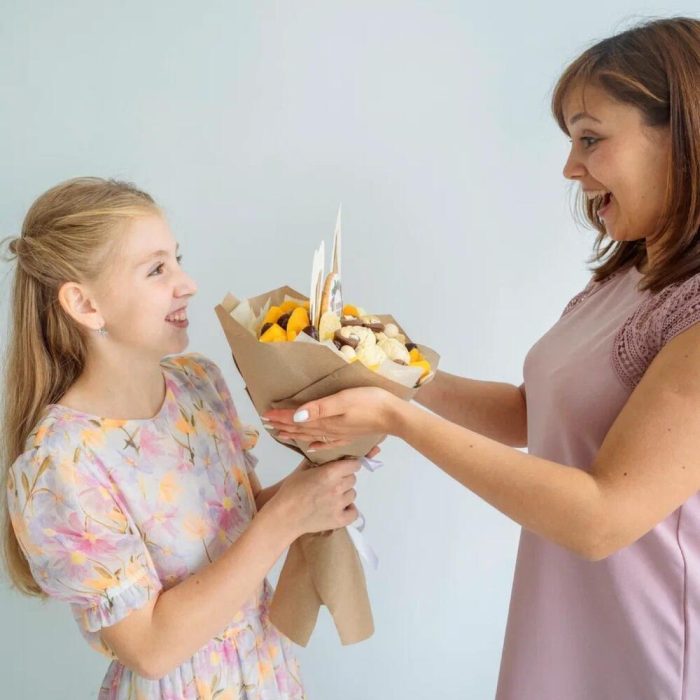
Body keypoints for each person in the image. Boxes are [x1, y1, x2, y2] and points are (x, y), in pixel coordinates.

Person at [262, 17, 700, 700]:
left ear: (684, 136)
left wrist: (397, 417)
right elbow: (532, 414)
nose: (570, 167)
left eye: (591, 138)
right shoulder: (625, 280)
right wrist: (396, 364)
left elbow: (602, 518)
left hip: (650, 644)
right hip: (567, 618)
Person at [0, 177, 370, 699]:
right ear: (85, 304)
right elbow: (150, 649)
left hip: (266, 673)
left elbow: (235, 528)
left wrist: (320, 472)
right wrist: (287, 517)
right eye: (157, 270)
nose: (187, 283)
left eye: (176, 260)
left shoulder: (198, 383)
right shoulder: (60, 463)